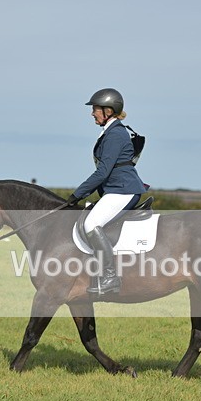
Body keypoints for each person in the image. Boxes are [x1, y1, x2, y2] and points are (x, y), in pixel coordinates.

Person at [67, 88, 147, 295]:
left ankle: (110, 276)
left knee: (91, 224)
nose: (92, 113)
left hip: (123, 190)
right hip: (116, 189)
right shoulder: (111, 132)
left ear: (108, 111)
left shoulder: (116, 134)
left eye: (95, 109)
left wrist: (78, 193)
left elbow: (103, 171)